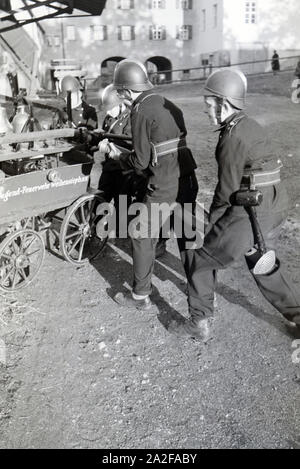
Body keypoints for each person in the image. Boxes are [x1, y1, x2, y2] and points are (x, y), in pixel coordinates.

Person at [170, 68, 300, 340]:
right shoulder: (248, 124)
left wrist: (212, 227)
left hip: (251, 209)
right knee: (261, 260)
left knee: (200, 259)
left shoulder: (232, 137)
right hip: (273, 203)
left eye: (208, 105)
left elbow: (225, 191)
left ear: (223, 103)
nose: (206, 111)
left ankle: (198, 322)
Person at [110, 59, 198, 309]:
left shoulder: (141, 111)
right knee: (186, 234)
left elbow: (140, 162)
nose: (121, 99)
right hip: (188, 177)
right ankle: (199, 291)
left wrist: (118, 155)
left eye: (120, 92)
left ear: (127, 90)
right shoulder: (166, 102)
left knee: (139, 232)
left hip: (165, 182)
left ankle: (140, 296)